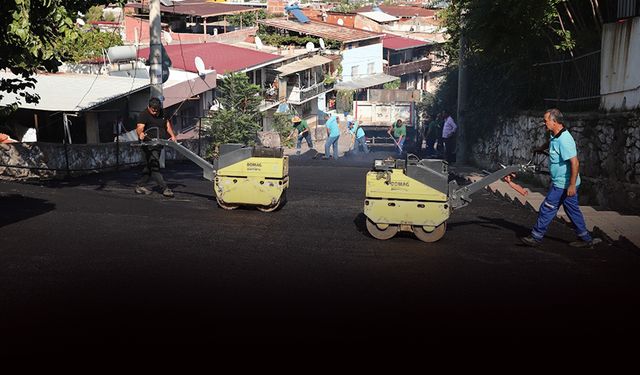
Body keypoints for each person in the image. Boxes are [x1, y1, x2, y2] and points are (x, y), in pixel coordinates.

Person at [521, 108, 599, 248]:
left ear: (554, 121)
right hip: (562, 182)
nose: (544, 123)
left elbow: (575, 163)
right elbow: (551, 143)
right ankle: (586, 239)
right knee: (572, 211)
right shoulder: (554, 134)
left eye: (546, 121)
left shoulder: (565, 140)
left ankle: (535, 237)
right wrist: (541, 148)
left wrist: (572, 185)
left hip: (564, 184)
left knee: (547, 208)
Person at [134, 97, 177, 198]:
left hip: (159, 144)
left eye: (156, 110)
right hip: (148, 145)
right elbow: (140, 127)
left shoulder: (163, 112)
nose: (154, 112)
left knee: (149, 166)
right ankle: (165, 188)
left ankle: (140, 185)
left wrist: (172, 135)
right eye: (152, 110)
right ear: (149, 107)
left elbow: (167, 124)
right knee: (154, 166)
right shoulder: (144, 114)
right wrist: (140, 134)